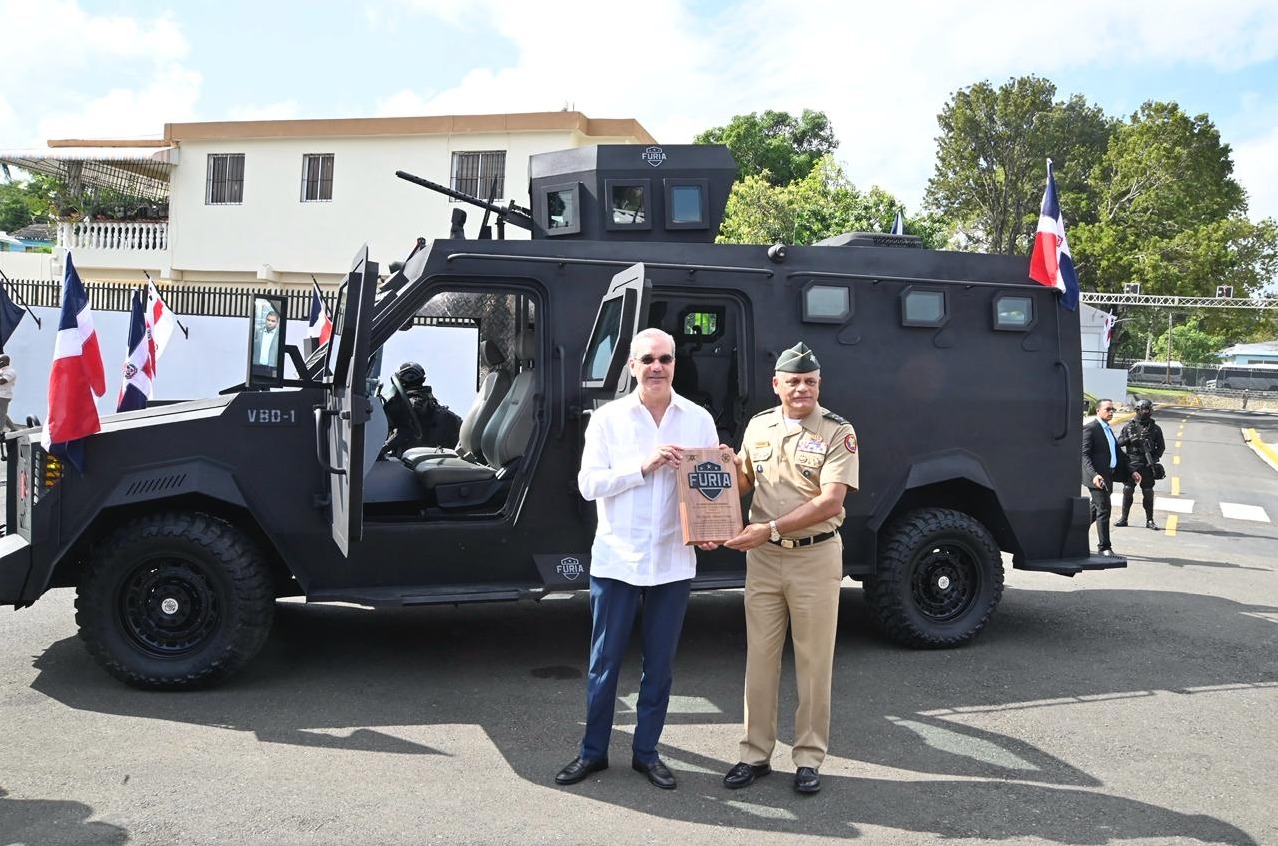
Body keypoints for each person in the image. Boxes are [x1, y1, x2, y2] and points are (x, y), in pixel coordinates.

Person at [555, 328, 719, 791]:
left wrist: (710, 527)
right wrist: (643, 467)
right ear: (631, 366)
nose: (656, 367)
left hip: (673, 559)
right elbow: (589, 484)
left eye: (665, 359)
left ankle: (647, 753)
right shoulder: (608, 419)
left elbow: (710, 483)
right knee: (604, 664)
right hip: (618, 560)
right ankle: (592, 753)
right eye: (647, 359)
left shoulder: (698, 419)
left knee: (660, 667)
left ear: (675, 364)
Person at [719, 341, 858, 796]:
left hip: (814, 557)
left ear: (819, 385)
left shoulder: (837, 431)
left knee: (813, 663)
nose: (802, 389)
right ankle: (754, 754)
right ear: (776, 384)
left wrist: (771, 528)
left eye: (810, 382)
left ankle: (808, 757)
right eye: (794, 381)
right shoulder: (759, 426)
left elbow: (831, 501)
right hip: (764, 560)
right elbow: (744, 481)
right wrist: (721, 465)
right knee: (759, 659)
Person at [1082, 398, 1140, 557]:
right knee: (1104, 509)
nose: (1111, 412)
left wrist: (1131, 471)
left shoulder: (1107, 429)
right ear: (1098, 410)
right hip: (1097, 477)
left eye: (1112, 409)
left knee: (1095, 510)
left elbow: (1118, 453)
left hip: (1107, 476)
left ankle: (1071, 535)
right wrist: (1094, 475)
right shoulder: (1090, 429)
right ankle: (1104, 548)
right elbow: (1084, 455)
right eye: (1107, 409)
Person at [379, 361, 462, 458]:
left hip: (414, 459)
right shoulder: (427, 403)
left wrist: (382, 449)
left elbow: (404, 431)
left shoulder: (410, 405)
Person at [1116, 399, 1165, 529]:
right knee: (1128, 490)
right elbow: (1119, 443)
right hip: (1131, 463)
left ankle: (1150, 520)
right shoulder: (1128, 427)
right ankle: (1124, 518)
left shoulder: (1155, 429)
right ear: (1137, 410)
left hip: (1147, 464)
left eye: (1148, 410)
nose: (1145, 412)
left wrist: (1153, 459)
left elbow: (1161, 447)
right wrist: (1130, 439)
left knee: (1148, 491)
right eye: (1143, 410)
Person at [251, 310, 280, 377]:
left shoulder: (279, 335)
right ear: (265, 320)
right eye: (268, 320)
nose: (270, 323)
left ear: (277, 322)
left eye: (273, 321)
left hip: (271, 367)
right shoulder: (259, 332)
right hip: (257, 366)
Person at [0, 354, 17, 432]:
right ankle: (13, 428)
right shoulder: (2, 370)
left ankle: (0, 431)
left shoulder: (10, 371)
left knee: (1, 414)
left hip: (4, 396)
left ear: (3, 362)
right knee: (2, 413)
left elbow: (2, 381)